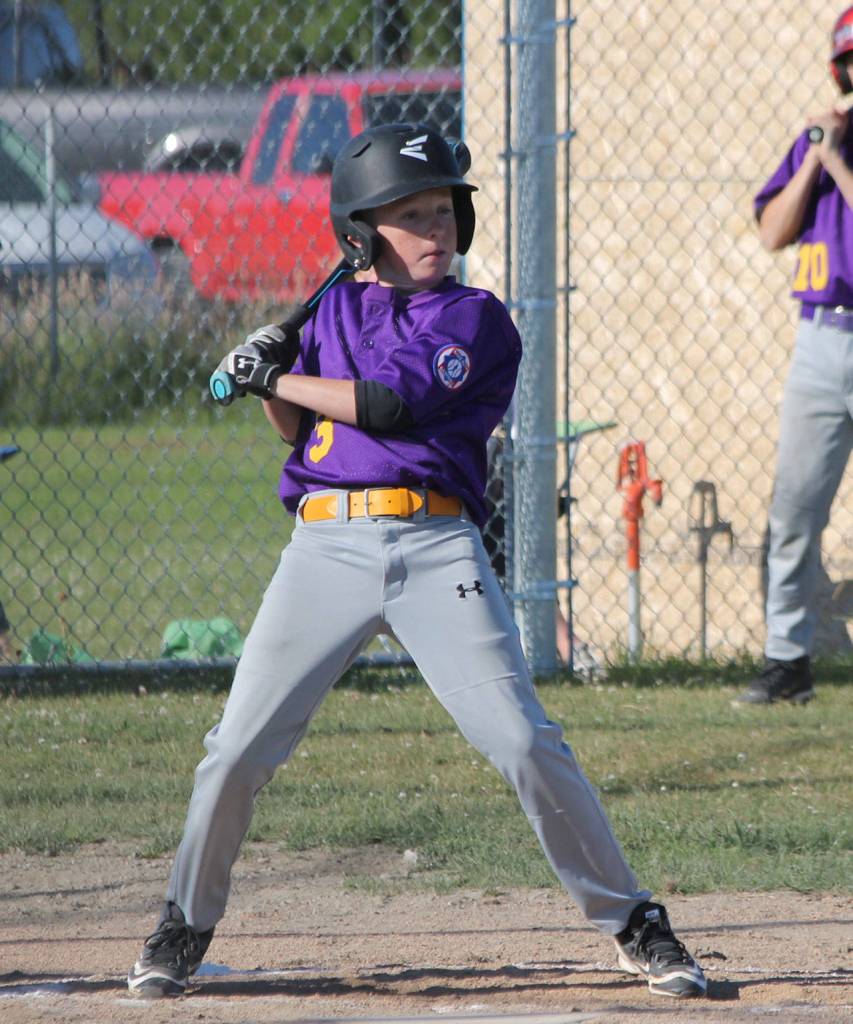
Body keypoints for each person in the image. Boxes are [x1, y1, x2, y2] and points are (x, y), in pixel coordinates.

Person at [127, 123, 706, 1000]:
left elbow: (388, 406)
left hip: (437, 548)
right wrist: (270, 364)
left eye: (444, 210)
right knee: (234, 749)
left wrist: (268, 378)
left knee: (521, 739)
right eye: (411, 215)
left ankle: (632, 919)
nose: (437, 229)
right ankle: (183, 920)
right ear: (359, 234)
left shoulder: (472, 319)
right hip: (324, 545)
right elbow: (300, 429)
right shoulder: (326, 310)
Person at [737, 7, 853, 705]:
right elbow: (772, 232)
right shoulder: (819, 139)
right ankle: (787, 663)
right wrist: (813, 154)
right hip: (820, 337)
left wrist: (835, 158)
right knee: (794, 511)